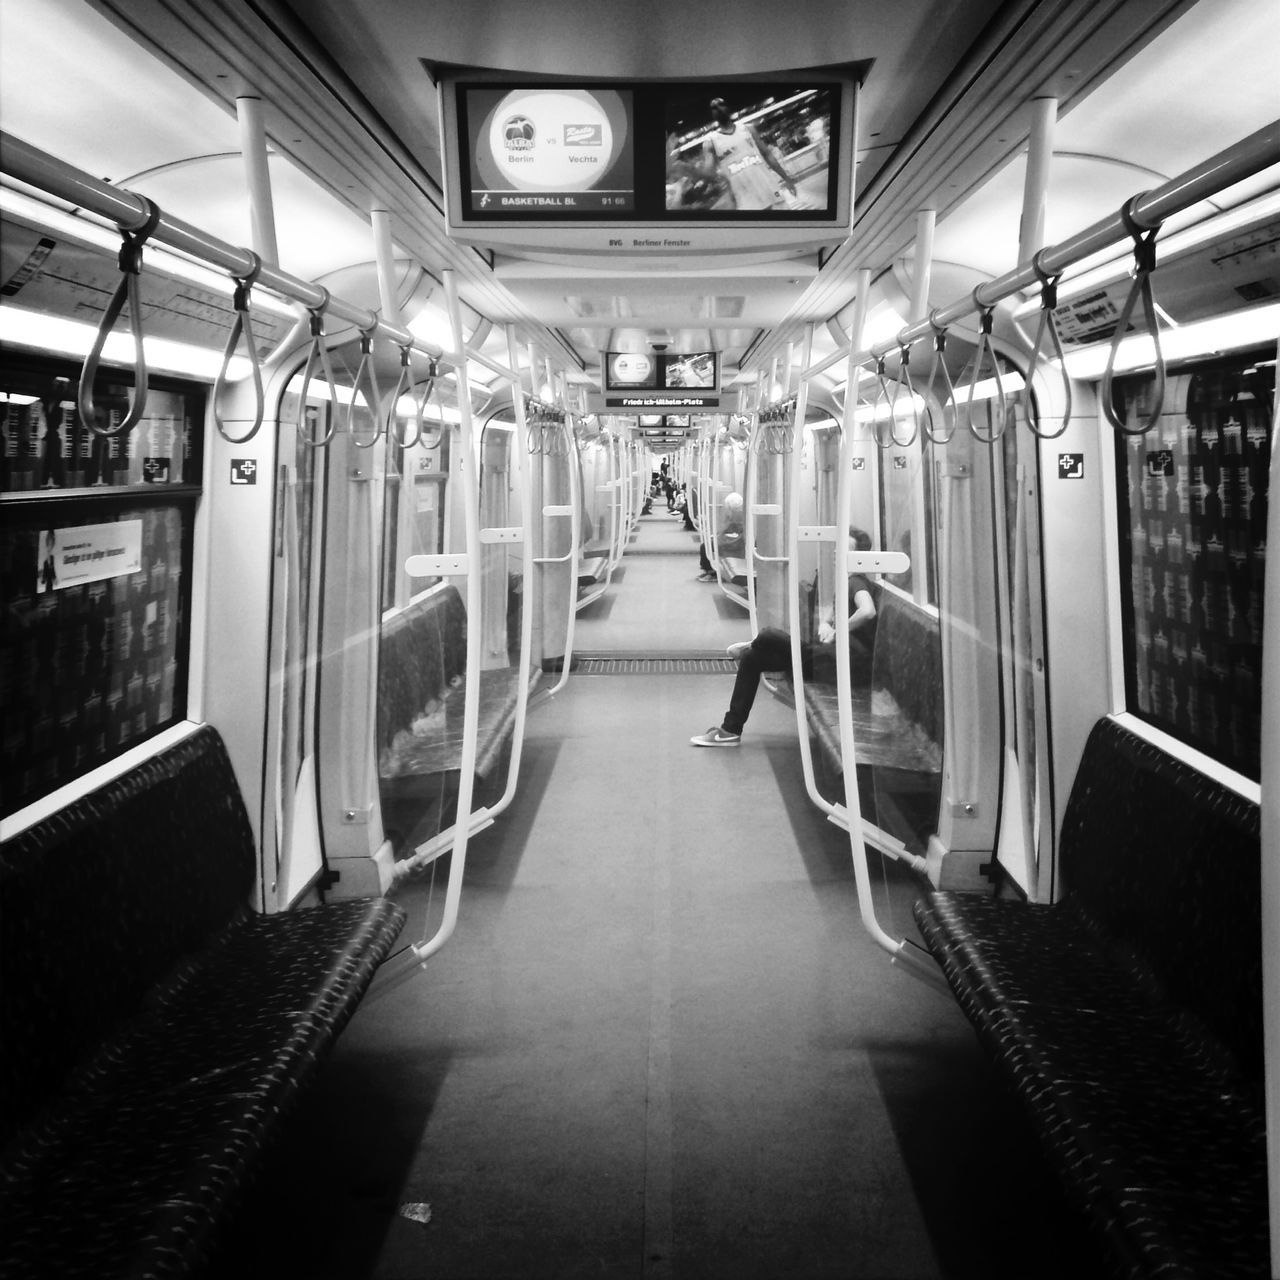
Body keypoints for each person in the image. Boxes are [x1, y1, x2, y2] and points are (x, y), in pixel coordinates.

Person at [691, 528, 877, 746]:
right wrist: (827, 623)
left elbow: (868, 610)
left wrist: (837, 630)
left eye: (844, 549)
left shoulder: (858, 582)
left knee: (770, 635)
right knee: (752, 660)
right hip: (828, 656)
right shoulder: (846, 580)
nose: (836, 552)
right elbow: (833, 609)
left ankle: (755, 642)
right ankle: (730, 729)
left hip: (844, 663)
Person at [700, 98, 796, 212]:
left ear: (728, 108)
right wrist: (693, 171)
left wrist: (786, 178)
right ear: (712, 114)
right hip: (745, 201)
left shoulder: (747, 129)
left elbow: (767, 155)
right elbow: (708, 173)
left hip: (770, 191)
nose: (719, 108)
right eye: (714, 108)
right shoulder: (710, 142)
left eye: (721, 104)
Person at [698, 491, 744, 581]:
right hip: (732, 538)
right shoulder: (734, 514)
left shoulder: (737, 515)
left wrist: (719, 536)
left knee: (705, 546)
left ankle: (711, 572)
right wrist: (717, 535)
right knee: (707, 544)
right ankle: (710, 570)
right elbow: (727, 529)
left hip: (736, 541)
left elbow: (736, 531)